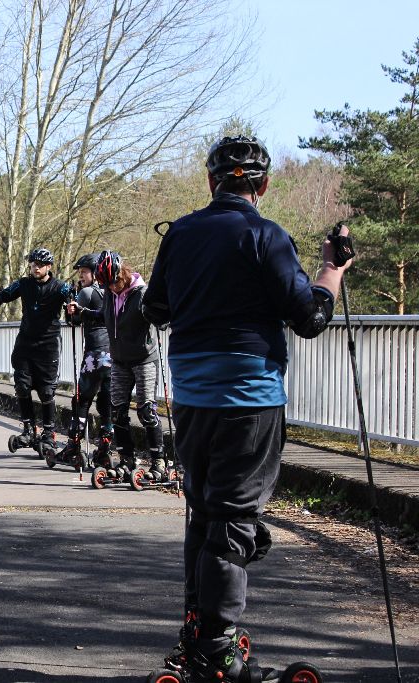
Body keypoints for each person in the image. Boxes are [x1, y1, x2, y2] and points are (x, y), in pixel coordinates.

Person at [140, 135, 353, 681]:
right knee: (233, 521)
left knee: (203, 512)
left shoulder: (181, 233)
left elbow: (154, 307)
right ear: (263, 184)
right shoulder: (267, 235)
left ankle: (196, 636)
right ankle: (219, 652)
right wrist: (332, 270)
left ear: (211, 182)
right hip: (249, 397)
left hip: (190, 397)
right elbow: (309, 318)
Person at [0, 248, 73, 455]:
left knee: (47, 391)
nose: (36, 267)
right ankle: (28, 429)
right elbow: (0, 298)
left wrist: (74, 308)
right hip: (25, 344)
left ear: (49, 266)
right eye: (33, 264)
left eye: (40, 264)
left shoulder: (61, 287)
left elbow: (72, 302)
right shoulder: (23, 284)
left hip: (48, 346)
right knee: (22, 387)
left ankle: (49, 433)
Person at [77, 250, 166, 475]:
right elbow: (105, 316)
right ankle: (127, 460)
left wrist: (159, 316)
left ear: (122, 274)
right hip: (119, 360)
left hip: (144, 358)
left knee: (146, 410)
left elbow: (161, 317)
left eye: (115, 282)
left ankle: (159, 461)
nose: (112, 288)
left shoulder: (142, 293)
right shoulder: (108, 292)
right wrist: (83, 312)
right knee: (117, 412)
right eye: (107, 285)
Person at [61, 253, 113, 465]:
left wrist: (70, 305)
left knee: (81, 401)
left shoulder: (86, 292)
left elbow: (72, 320)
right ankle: (105, 448)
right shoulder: (111, 292)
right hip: (115, 356)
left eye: (84, 272)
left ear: (94, 273)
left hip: (95, 354)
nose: (81, 276)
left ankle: (74, 446)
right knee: (106, 403)